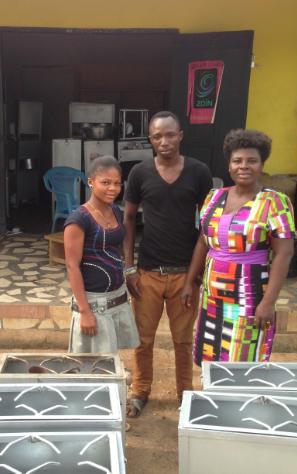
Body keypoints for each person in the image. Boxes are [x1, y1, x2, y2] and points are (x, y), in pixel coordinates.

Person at [123, 111, 212, 417]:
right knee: (142, 340)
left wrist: (194, 275)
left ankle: (185, 395)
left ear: (180, 135)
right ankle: (140, 391)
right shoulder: (140, 173)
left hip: (184, 275)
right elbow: (128, 219)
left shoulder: (199, 172)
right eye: (157, 136)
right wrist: (129, 268)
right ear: (150, 139)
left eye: (170, 134)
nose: (164, 141)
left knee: (183, 341)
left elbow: (207, 226)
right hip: (148, 273)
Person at [181, 129, 295, 366]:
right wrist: (190, 281)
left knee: (242, 359)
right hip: (212, 296)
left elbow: (284, 254)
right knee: (211, 357)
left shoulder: (275, 202)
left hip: (249, 296)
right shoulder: (214, 197)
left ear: (262, 164)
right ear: (229, 165)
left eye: (252, 161)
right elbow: (203, 241)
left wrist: (268, 302)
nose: (244, 166)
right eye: (237, 161)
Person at [64, 155, 140, 354]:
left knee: (112, 358)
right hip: (93, 303)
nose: (112, 188)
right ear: (91, 182)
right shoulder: (79, 219)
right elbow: (72, 266)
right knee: (95, 363)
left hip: (117, 298)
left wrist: (128, 271)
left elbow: (117, 245)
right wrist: (85, 311)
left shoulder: (115, 211)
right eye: (105, 182)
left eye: (117, 183)